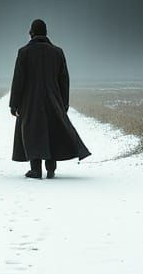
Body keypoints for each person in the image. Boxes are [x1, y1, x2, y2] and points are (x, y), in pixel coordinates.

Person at [9, 19, 91, 178]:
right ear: (46, 33)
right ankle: (51, 168)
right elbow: (64, 81)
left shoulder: (24, 52)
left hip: (29, 100)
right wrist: (64, 103)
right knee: (52, 131)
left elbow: (18, 80)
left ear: (31, 33)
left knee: (32, 132)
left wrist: (14, 104)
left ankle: (35, 170)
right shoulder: (57, 52)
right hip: (53, 99)